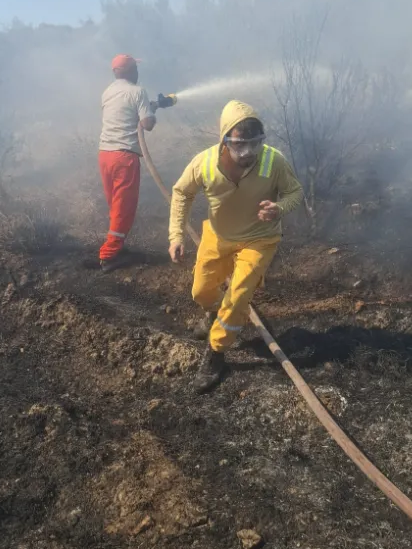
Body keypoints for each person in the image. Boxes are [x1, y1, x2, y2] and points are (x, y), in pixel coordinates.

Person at [168, 100, 303, 393]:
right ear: (225, 140)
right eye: (240, 145)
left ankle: (216, 354)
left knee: (238, 295)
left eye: (255, 144)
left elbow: (295, 192)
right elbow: (182, 193)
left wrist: (279, 208)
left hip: (259, 239)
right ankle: (213, 312)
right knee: (201, 291)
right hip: (218, 236)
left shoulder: (273, 161)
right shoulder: (204, 163)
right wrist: (176, 235)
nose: (248, 152)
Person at [98, 54, 157, 273]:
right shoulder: (138, 91)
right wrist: (151, 112)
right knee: (124, 206)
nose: (138, 72)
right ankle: (109, 255)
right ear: (131, 71)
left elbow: (124, 113)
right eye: (136, 68)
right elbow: (147, 124)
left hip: (105, 154)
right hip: (124, 157)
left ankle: (117, 246)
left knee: (115, 204)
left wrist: (147, 107)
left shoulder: (108, 91)